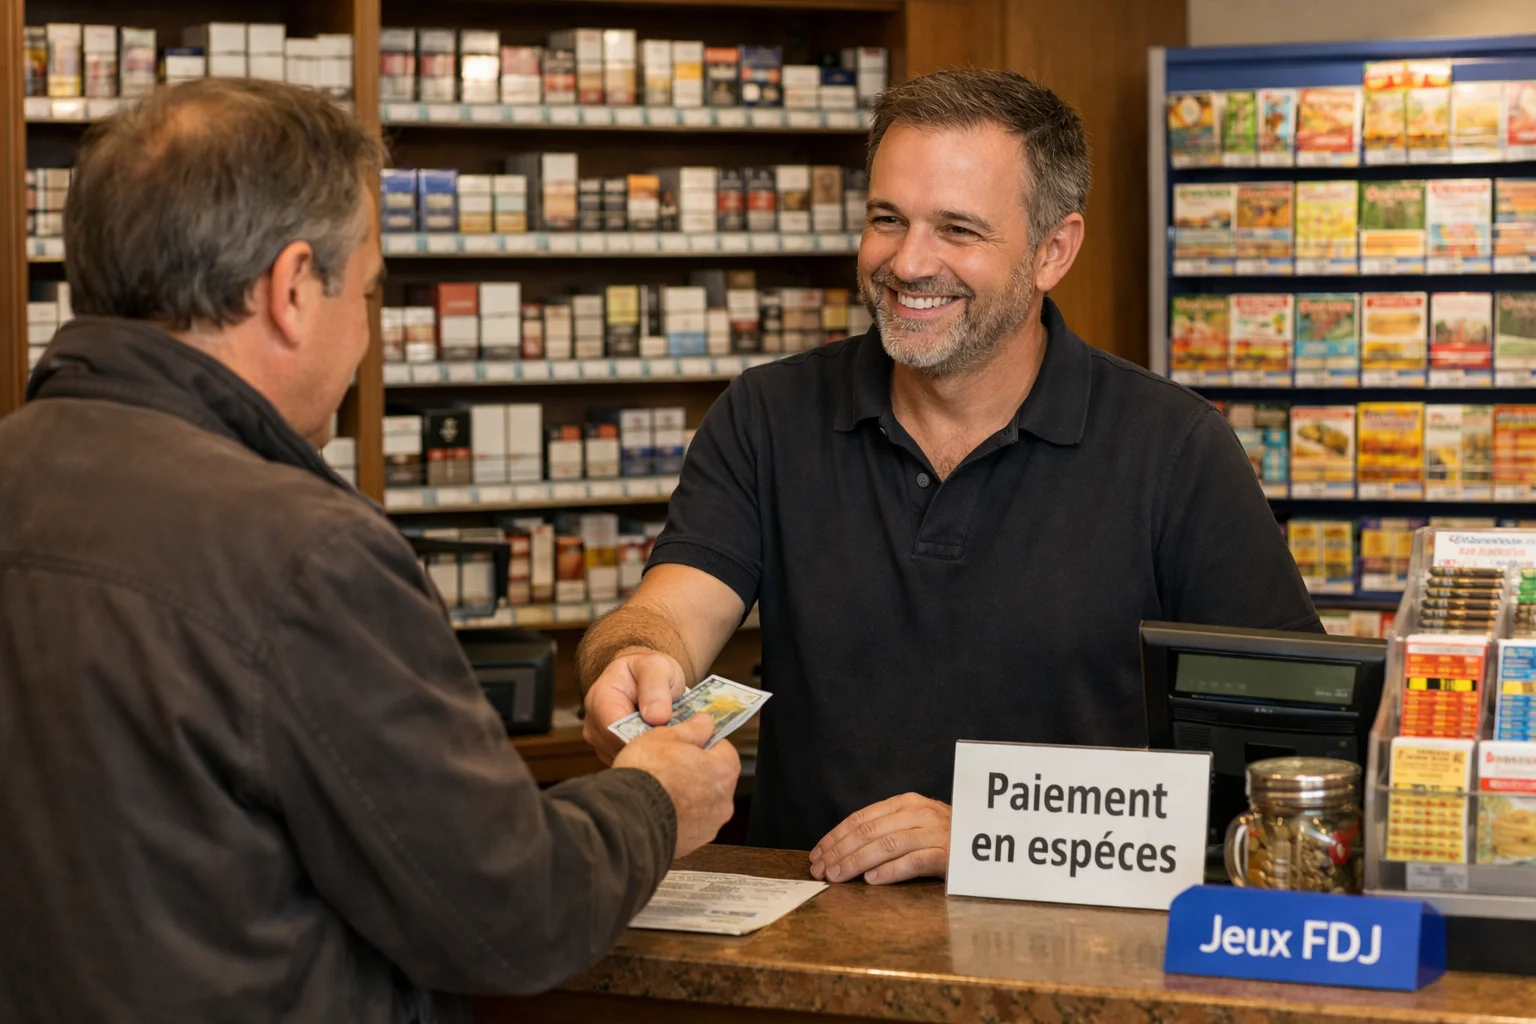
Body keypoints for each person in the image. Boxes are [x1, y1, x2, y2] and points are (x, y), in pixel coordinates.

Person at [0, 79, 739, 1024]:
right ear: (291, 290)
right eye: (368, 289)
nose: (365, 332)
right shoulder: (302, 553)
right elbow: (507, 910)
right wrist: (655, 801)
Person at [577, 68, 1319, 887]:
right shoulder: (768, 414)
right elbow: (668, 613)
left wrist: (998, 837)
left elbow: (1287, 746)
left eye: (957, 229)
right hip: (806, 929)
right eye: (887, 219)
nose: (907, 261)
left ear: (1053, 251)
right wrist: (635, 660)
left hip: (1071, 937)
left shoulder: (1175, 448)